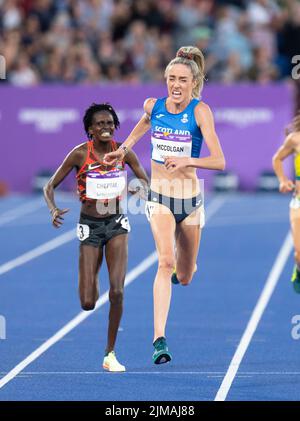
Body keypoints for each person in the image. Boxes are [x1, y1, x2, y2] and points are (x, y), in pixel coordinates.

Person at [103, 46, 225, 364]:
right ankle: (159, 339)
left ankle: (182, 272)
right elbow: (145, 122)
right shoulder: (154, 106)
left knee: (185, 275)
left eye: (182, 79)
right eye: (171, 78)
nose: (175, 84)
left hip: (191, 203)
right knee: (165, 261)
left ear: (192, 82)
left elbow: (220, 160)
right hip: (159, 198)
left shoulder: (200, 112)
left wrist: (187, 160)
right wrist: (124, 149)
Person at [43, 103, 149, 371]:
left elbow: (145, 180)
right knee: (88, 302)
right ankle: (92, 277)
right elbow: (49, 186)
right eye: (100, 124)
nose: (106, 127)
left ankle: (110, 354)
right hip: (89, 226)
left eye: (110, 123)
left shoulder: (123, 151)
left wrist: (139, 187)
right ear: (90, 129)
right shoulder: (80, 154)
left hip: (116, 224)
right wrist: (53, 208)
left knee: (118, 290)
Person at [272, 111, 300, 293]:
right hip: (299, 202)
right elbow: (277, 159)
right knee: (299, 253)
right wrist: (283, 180)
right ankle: (298, 269)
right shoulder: (295, 139)